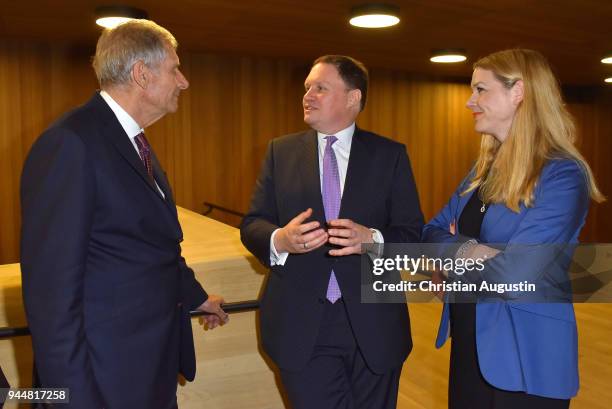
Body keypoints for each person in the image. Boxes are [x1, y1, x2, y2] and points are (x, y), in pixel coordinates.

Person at [20, 20, 228, 409]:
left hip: (147, 369)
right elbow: (50, 295)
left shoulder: (134, 142)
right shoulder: (71, 143)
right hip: (100, 380)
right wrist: (72, 398)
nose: (183, 82)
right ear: (141, 74)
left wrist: (196, 297)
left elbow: (149, 244)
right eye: (174, 69)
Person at [422, 49, 605, 409]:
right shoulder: (482, 171)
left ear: (518, 91)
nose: (470, 101)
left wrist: (453, 261)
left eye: (480, 90)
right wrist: (469, 251)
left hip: (527, 355)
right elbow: (430, 232)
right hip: (470, 346)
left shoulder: (563, 175)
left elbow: (516, 272)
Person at [240, 55, 423, 409]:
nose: (308, 95)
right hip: (301, 324)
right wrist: (281, 239)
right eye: (307, 87)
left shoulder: (390, 156)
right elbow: (253, 224)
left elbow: (413, 234)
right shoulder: (281, 152)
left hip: (376, 326)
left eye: (320, 87)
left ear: (353, 98)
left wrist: (374, 240)